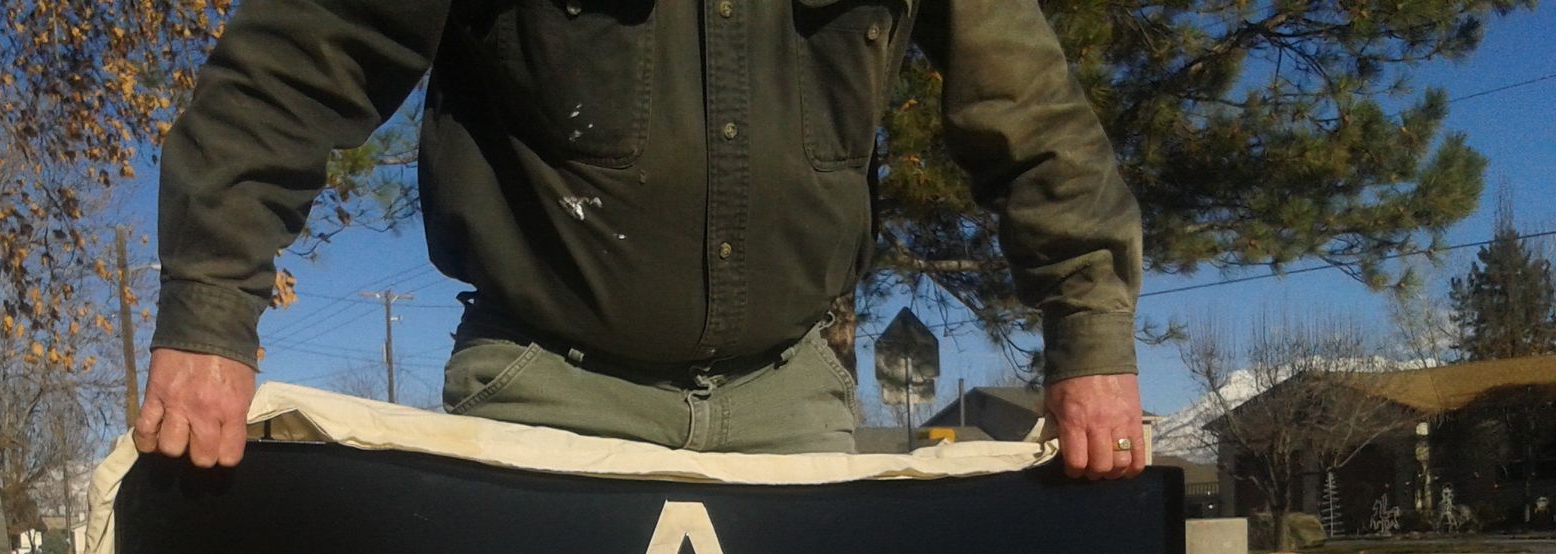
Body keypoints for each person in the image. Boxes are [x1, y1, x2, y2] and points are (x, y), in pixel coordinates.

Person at [136, 0, 1145, 477]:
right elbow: (299, 62)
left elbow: (1031, 106)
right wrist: (210, 313)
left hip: (793, 400)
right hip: (541, 393)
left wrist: (1091, 334)